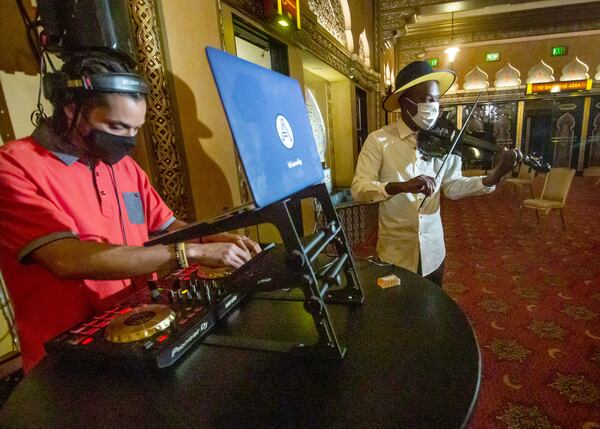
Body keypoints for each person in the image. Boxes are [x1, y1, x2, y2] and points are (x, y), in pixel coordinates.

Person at [0, 53, 261, 372]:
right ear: (71, 108)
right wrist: (190, 252)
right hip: (65, 363)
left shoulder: (124, 167)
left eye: (135, 129)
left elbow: (166, 225)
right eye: (116, 127)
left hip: (139, 334)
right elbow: (66, 259)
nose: (128, 141)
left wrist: (218, 237)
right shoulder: (13, 167)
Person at [351, 61, 518, 287]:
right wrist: (399, 186)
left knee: (432, 312)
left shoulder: (445, 140)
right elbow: (359, 189)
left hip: (433, 251)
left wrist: (493, 177)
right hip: (395, 252)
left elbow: (452, 187)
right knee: (397, 315)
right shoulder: (378, 141)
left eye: (437, 99)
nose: (435, 106)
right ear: (406, 102)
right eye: (428, 100)